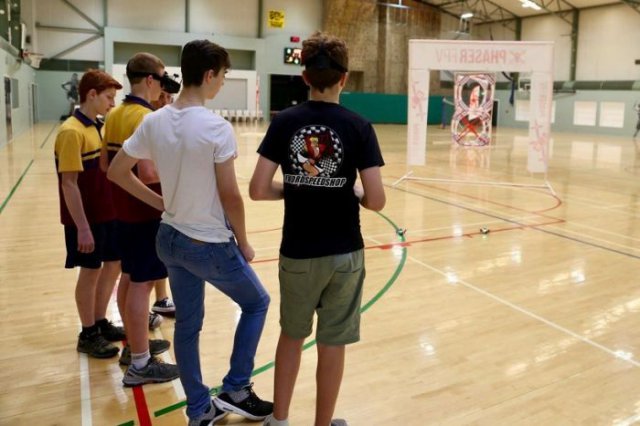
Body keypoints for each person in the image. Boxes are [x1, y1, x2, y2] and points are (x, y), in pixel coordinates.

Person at [107, 39, 273, 425]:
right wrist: (244, 242)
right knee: (257, 303)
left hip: (169, 238)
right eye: (224, 75)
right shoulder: (216, 127)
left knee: (187, 323)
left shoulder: (154, 120)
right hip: (208, 242)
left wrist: (159, 204)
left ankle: (198, 409)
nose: (223, 82)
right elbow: (230, 196)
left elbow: (116, 171)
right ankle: (236, 388)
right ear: (210, 74)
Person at [249, 31, 386, 426]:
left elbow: (258, 189)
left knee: (291, 336)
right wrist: (354, 191)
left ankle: (280, 420)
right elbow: (376, 200)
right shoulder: (359, 126)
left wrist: (293, 188)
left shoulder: (285, 122)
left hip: (298, 252)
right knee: (332, 343)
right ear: (344, 78)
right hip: (345, 253)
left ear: (305, 77)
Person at [102, 52, 179, 385]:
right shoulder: (146, 118)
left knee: (130, 278)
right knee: (142, 285)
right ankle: (141, 363)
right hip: (145, 213)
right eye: (161, 79)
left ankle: (134, 345)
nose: (163, 87)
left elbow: (106, 166)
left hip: (122, 211)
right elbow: (148, 173)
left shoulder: (116, 114)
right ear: (150, 80)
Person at [54, 69, 127, 359]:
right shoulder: (71, 132)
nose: (112, 103)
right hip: (85, 219)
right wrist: (82, 228)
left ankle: (99, 321)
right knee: (90, 271)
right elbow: (69, 184)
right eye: (108, 97)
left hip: (107, 214)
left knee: (113, 264)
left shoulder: (98, 126)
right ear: (91, 95)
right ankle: (87, 333)